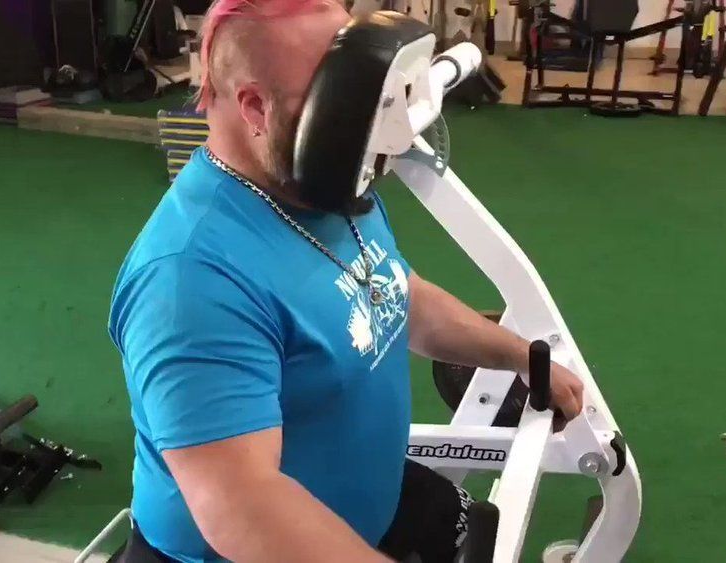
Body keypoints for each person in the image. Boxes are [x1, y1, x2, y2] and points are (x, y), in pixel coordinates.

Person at [107, 1, 585, 561]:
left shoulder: (317, 183)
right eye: (341, 106)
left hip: (369, 503)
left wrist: (520, 357)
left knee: (480, 531)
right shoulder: (191, 282)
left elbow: (395, 291)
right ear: (256, 107)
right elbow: (244, 507)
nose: (366, 134)